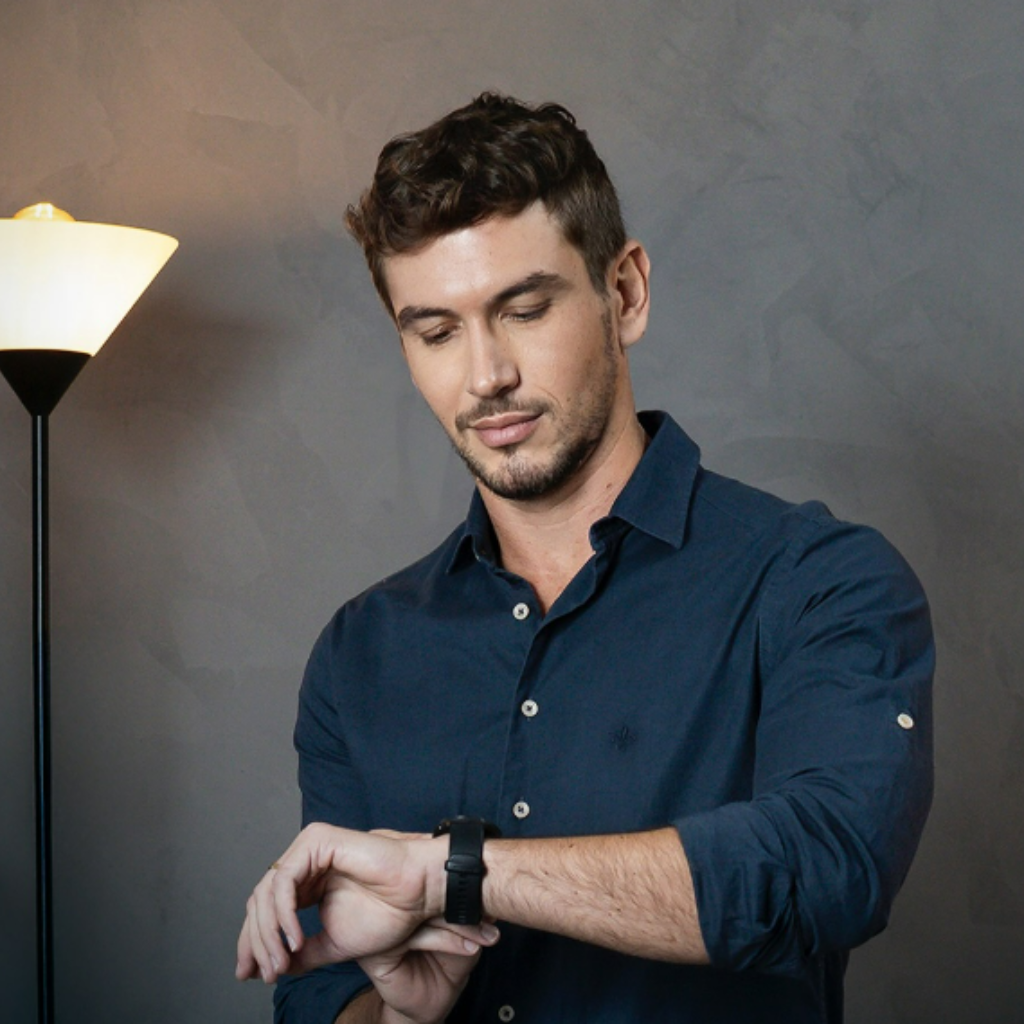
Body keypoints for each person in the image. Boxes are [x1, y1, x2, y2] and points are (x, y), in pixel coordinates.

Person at [236, 93, 934, 1024]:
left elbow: (825, 868)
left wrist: (452, 874)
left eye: (524, 310)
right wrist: (403, 1014)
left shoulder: (818, 582)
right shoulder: (361, 651)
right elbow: (321, 997)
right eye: (435, 332)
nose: (486, 375)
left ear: (626, 293)